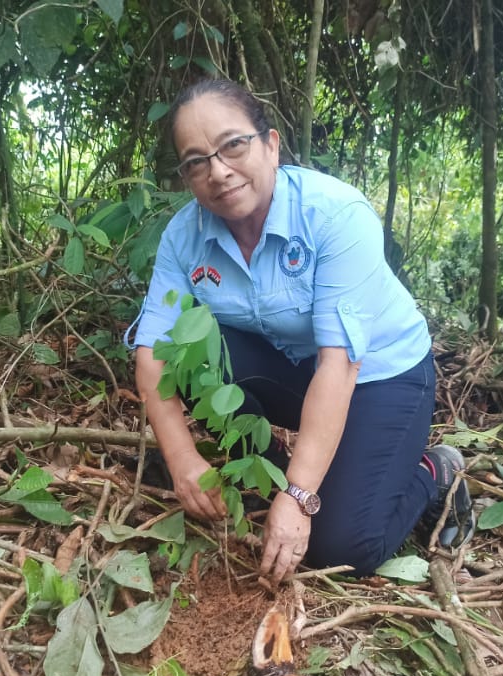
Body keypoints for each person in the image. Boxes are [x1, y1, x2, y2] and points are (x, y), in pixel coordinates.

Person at [124, 78, 474, 584]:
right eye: (196, 161)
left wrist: (301, 497)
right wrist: (183, 461)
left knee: (341, 548)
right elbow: (153, 351)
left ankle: (436, 471)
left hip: (379, 375)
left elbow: (340, 364)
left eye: (233, 146)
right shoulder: (185, 236)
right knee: (195, 349)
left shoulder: (334, 215)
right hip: (295, 370)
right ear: (185, 176)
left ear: (270, 144)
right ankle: (274, 474)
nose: (218, 172)